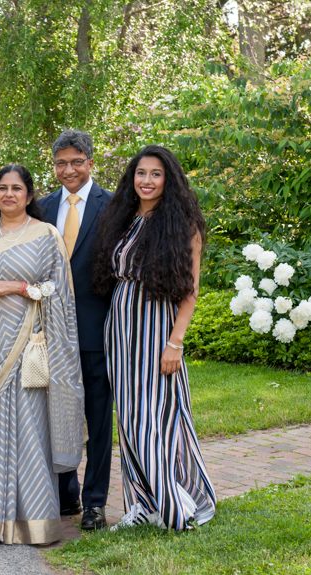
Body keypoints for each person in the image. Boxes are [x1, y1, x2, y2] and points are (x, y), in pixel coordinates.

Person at [0, 165, 84, 546]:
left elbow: (60, 289)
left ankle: (34, 517)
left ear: (29, 194)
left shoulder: (46, 234)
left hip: (30, 345)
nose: (9, 194)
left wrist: (22, 287)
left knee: (29, 427)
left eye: (17, 188)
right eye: (2, 188)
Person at [92, 145, 216, 531]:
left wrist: (175, 343)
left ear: (169, 180)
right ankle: (141, 505)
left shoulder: (183, 225)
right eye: (141, 173)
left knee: (155, 417)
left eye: (155, 174)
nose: (146, 181)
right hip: (121, 326)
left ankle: (173, 502)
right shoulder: (125, 219)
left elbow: (190, 291)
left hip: (157, 327)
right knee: (128, 419)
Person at [36, 130, 114, 531]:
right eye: (61, 163)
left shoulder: (115, 205)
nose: (69, 169)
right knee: (58, 414)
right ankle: (66, 495)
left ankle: (96, 501)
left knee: (97, 418)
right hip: (50, 331)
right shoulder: (43, 206)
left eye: (76, 161)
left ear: (90, 162)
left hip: (97, 330)